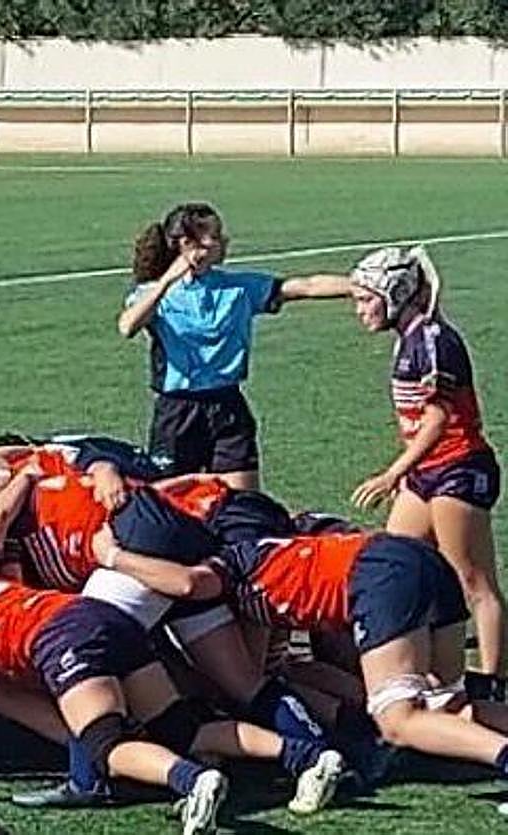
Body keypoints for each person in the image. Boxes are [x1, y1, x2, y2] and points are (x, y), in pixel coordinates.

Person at [0, 576, 344, 828]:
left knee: (105, 744)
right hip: (96, 614)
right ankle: (307, 756)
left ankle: (192, 782)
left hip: (62, 639)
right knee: (180, 727)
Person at [103, 526, 508, 796]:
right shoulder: (276, 562)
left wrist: (114, 556)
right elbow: (281, 668)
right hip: (413, 558)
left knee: (398, 719)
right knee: (444, 703)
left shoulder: (233, 561)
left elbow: (191, 583)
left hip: (379, 572)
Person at [349, 246, 506, 701]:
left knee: (474, 580)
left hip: (458, 469)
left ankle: (495, 683)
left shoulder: (434, 339)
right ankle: (417, 662)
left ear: (394, 293)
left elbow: (438, 419)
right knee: (394, 559)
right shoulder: (411, 336)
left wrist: (391, 472)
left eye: (365, 300)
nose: (360, 311)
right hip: (428, 472)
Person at [119, 203, 350, 489]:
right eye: (215, 236)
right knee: (174, 510)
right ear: (187, 244)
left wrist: (362, 285)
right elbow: (127, 326)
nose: (224, 241)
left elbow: (307, 286)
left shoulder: (239, 287)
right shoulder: (152, 294)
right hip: (177, 414)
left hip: (227, 406)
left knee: (243, 507)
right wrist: (167, 281)